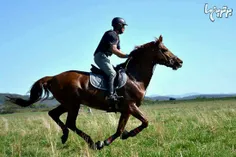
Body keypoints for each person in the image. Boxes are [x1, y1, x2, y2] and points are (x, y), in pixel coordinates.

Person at [94, 17, 130, 103]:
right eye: (123, 26)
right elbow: (114, 50)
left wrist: (128, 56)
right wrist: (128, 55)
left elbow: (119, 53)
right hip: (101, 56)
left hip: (105, 57)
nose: (124, 28)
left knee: (115, 72)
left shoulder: (117, 37)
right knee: (112, 73)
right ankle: (110, 95)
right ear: (118, 25)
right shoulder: (112, 34)